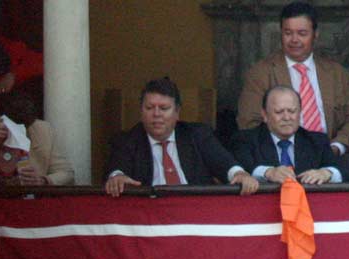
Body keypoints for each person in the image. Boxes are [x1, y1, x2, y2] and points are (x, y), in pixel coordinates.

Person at [237, 1, 349, 156]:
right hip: (282, 158)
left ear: (315, 34)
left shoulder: (337, 73)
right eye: (288, 33)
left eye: (302, 33)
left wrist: (337, 146)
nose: (294, 40)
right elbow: (249, 123)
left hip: (330, 157)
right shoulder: (260, 73)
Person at [105, 77, 258, 196]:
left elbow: (225, 164)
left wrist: (240, 174)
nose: (156, 114)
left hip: (195, 214)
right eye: (150, 108)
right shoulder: (127, 140)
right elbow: (118, 169)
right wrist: (117, 177)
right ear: (141, 112)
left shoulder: (197, 135)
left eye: (164, 108)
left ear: (177, 112)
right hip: (150, 219)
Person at [232, 85, 349, 184]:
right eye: (279, 112)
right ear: (265, 115)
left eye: (292, 111)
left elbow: (345, 170)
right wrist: (268, 172)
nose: (287, 117)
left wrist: (327, 173)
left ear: (300, 113)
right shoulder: (246, 140)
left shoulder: (317, 141)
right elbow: (240, 168)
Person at [0, 91, 74, 185]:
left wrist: (43, 181)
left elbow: (66, 173)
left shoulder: (41, 130)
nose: (18, 134)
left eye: (24, 128)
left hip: (27, 198)